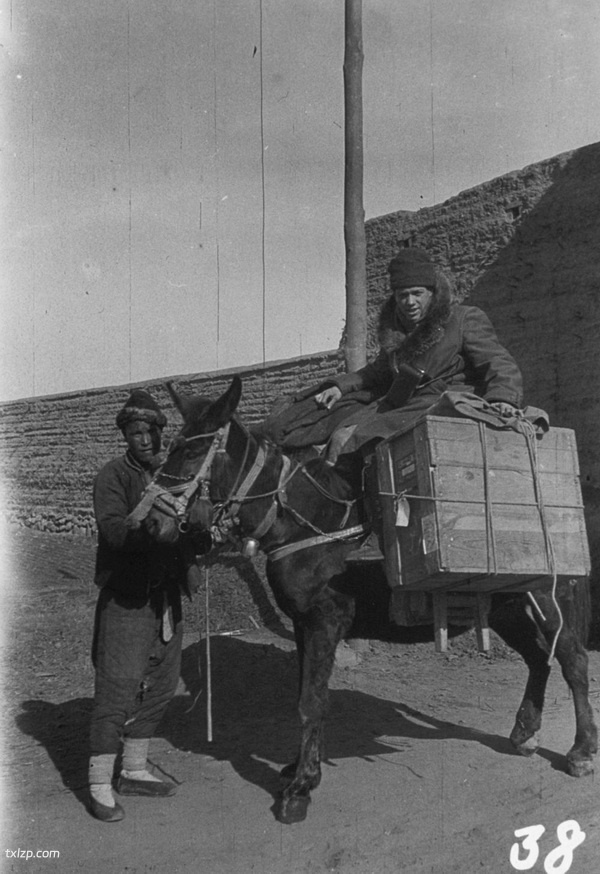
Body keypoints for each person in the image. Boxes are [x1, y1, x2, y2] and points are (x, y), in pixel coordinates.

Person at [313, 247, 524, 559]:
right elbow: (376, 372)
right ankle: (341, 527)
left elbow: (499, 363)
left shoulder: (464, 320)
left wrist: (503, 398)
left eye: (416, 294)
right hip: (405, 404)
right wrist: (340, 386)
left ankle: (377, 534)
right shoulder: (399, 335)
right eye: (401, 295)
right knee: (340, 435)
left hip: (443, 403)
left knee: (365, 441)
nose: (409, 302)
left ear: (432, 292)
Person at [88, 389, 189, 822]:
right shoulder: (113, 476)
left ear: (161, 433)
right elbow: (112, 530)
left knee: (163, 683)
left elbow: (189, 525)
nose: (144, 440)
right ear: (125, 436)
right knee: (119, 688)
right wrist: (150, 531)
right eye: (135, 433)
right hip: (127, 598)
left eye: (150, 431)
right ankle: (96, 785)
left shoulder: (174, 475)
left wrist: (201, 535)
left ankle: (132, 769)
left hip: (165, 597)